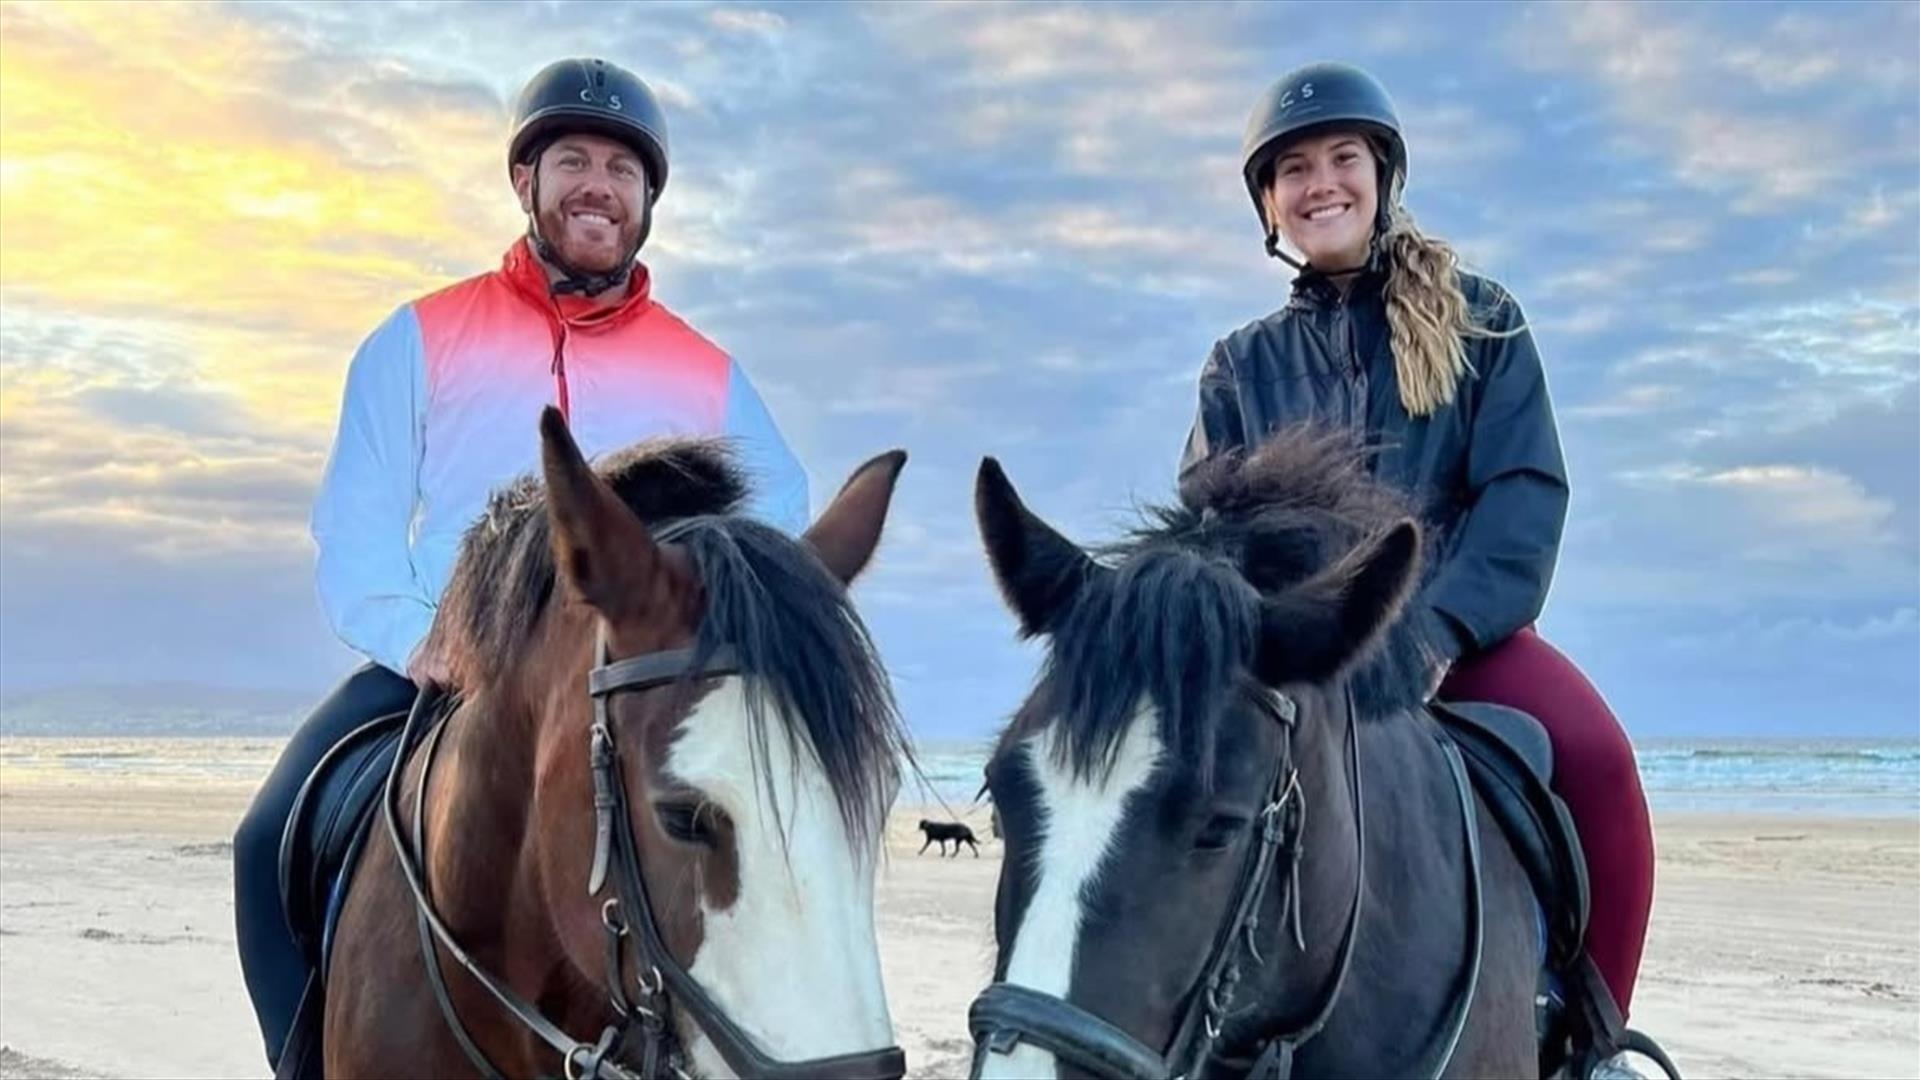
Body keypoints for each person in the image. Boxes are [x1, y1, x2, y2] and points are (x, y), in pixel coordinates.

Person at [232, 57, 809, 1070]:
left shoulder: (708, 371)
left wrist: (706, 644)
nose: (600, 185)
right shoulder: (418, 336)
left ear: (648, 202)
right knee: (265, 839)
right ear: (526, 183)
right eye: (573, 160)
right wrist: (422, 637)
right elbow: (358, 527)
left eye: (624, 171)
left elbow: (783, 518)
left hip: (632, 684)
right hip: (453, 665)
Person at [1179, 60, 1655, 1071]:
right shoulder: (1239, 364)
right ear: (1268, 203)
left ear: (1382, 173)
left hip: (1461, 638)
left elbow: (1524, 495)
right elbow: (1208, 523)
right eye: (1293, 169)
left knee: (1603, 763)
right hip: (1307, 653)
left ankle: (1592, 1039)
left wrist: (1437, 629)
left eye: (1342, 158)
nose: (1321, 184)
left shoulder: (1485, 321)